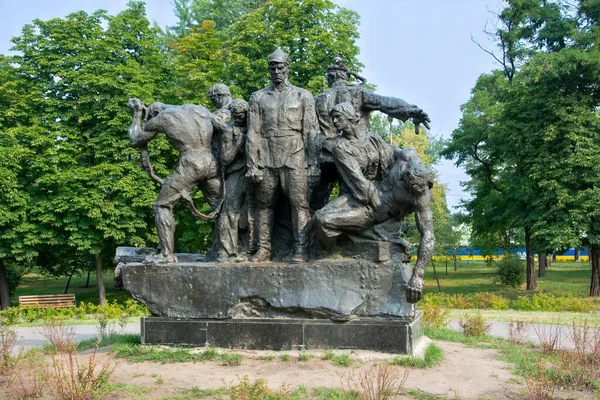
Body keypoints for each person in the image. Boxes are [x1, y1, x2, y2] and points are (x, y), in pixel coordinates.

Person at [313, 102, 435, 303]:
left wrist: (418, 275)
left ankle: (341, 247)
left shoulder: (419, 194)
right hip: (361, 195)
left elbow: (428, 235)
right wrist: (374, 193)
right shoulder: (402, 156)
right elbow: (358, 178)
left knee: (324, 222)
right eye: (333, 118)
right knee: (318, 219)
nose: (334, 122)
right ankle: (338, 245)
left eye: (338, 118)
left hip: (377, 209)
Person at [310, 57, 432, 211]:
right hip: (359, 153)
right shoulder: (358, 92)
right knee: (353, 196)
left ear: (330, 78)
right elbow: (386, 103)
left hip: (326, 156)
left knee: (317, 201)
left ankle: (314, 232)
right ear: (346, 76)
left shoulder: (317, 99)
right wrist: (411, 110)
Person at [245, 48, 320, 263]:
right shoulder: (258, 97)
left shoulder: (303, 95)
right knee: (264, 204)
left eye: (280, 67)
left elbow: (312, 131)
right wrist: (252, 164)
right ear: (269, 69)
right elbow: (253, 132)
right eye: (273, 67)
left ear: (288, 68)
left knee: (300, 204)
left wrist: (313, 163)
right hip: (266, 154)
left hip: (294, 154)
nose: (276, 71)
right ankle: (264, 249)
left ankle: (301, 249)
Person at [127, 98, 222, 264]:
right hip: (211, 161)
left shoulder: (162, 117)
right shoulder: (199, 109)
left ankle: (166, 255)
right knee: (222, 206)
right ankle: (232, 249)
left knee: (161, 205)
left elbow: (135, 140)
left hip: (191, 163)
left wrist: (136, 114)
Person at [211, 99, 251, 262]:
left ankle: (250, 248)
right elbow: (226, 158)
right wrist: (239, 144)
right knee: (229, 210)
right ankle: (226, 250)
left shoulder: (254, 126)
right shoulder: (229, 131)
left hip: (257, 174)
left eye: (242, 114)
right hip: (237, 173)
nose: (239, 117)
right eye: (236, 115)